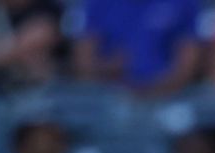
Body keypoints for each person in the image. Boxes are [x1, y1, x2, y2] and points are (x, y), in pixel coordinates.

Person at [71, 0, 202, 96]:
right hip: (108, 97)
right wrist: (107, 68)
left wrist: (146, 91)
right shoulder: (98, 3)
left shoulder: (185, 3)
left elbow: (186, 67)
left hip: (165, 99)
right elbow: (84, 63)